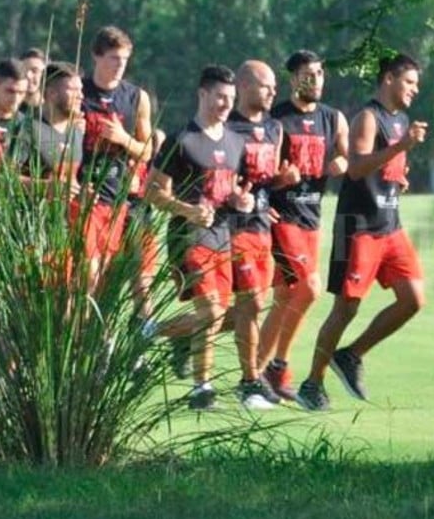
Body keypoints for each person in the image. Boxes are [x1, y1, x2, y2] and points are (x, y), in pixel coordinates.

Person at [296, 53, 429, 411]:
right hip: (359, 227)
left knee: (414, 298)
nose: (415, 90)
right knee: (346, 309)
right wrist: (401, 147)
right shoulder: (367, 118)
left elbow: (383, 168)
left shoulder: (400, 119)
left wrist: (399, 175)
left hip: (390, 225)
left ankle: (351, 355)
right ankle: (312, 383)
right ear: (388, 79)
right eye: (410, 82)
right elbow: (355, 169)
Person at [147, 65, 262, 410]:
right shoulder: (182, 140)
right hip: (188, 235)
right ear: (202, 94)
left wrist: (244, 201)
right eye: (219, 97)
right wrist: (186, 209)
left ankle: (156, 333)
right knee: (211, 310)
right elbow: (152, 191)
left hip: (223, 236)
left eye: (230, 99)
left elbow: (233, 192)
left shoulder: (235, 141)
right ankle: (202, 389)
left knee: (227, 313)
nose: (226, 104)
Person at [257, 50, 350, 402]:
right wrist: (279, 181)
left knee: (284, 297)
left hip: (312, 219)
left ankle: (263, 371)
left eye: (320, 74)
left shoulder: (333, 118)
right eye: (308, 75)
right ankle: (273, 367)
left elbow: (346, 155)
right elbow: (257, 169)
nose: (316, 81)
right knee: (310, 288)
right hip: (282, 219)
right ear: (293, 79)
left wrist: (341, 160)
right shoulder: (277, 119)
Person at [224, 60, 287, 404]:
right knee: (255, 302)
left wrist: (284, 180)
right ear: (245, 86)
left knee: (241, 311)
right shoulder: (227, 127)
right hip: (235, 227)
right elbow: (214, 170)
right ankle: (250, 382)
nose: (273, 91)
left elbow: (270, 176)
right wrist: (233, 194)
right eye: (266, 85)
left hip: (264, 226)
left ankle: (174, 334)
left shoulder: (275, 127)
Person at [76, 26, 155, 289]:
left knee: (107, 282)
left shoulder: (135, 97)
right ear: (96, 56)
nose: (120, 65)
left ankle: (97, 331)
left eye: (124, 59)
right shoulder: (79, 93)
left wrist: (123, 138)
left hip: (119, 196)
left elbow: (147, 151)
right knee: (88, 274)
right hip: (84, 194)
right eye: (114, 58)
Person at [19, 48, 48, 117]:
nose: (28, 75)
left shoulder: (52, 112)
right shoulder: (10, 110)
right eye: (24, 70)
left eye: (35, 71)